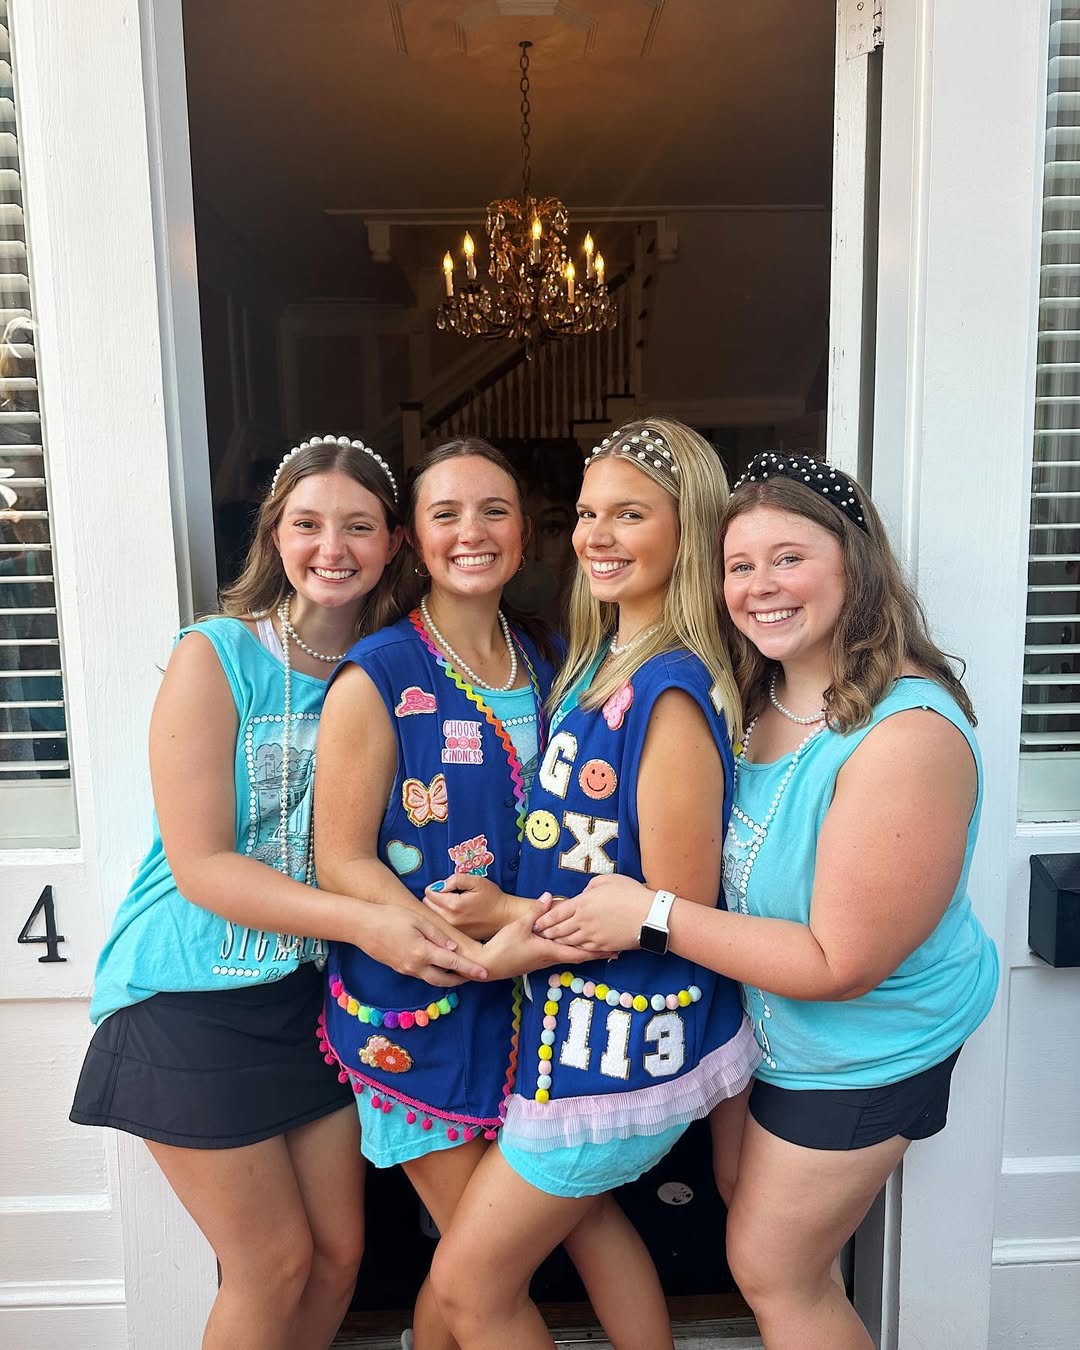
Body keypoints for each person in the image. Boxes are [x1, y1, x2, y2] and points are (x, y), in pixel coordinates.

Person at [534, 451, 1000, 1350]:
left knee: (773, 1271)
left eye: (790, 558)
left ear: (856, 562)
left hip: (860, 1050)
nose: (760, 587)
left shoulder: (904, 736)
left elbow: (840, 964)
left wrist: (651, 915)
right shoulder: (753, 696)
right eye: (739, 565)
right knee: (767, 1227)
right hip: (763, 1028)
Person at [70, 435, 487, 1350]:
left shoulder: (393, 668)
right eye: (308, 525)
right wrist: (371, 924)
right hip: (189, 994)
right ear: (275, 535)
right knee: (271, 1265)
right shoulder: (215, 653)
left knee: (337, 1258)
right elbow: (203, 867)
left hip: (312, 999)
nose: (332, 548)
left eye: (358, 527)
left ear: (393, 543)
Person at [425, 419, 760, 1350]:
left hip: (619, 1046)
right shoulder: (599, 660)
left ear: (689, 530)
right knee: (531, 1259)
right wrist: (507, 907)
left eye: (629, 515)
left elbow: (669, 911)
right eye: (585, 513)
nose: (596, 536)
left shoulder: (670, 693)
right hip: (574, 1033)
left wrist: (512, 949)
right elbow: (602, 869)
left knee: (469, 1289)